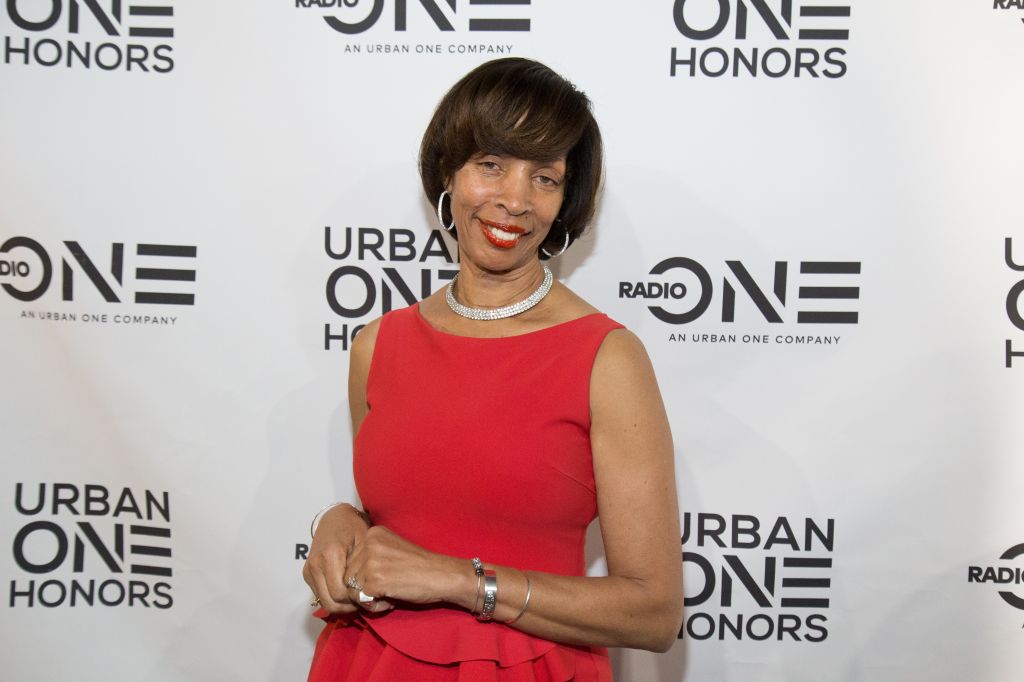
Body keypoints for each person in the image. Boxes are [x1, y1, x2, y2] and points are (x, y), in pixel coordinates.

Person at [304, 57, 682, 681]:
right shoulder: (378, 343)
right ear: (448, 172)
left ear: (567, 202)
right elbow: (412, 513)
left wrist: (460, 581)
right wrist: (341, 523)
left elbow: (653, 612)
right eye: (491, 165)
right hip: (370, 662)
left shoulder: (605, 358)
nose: (515, 200)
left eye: (545, 178)